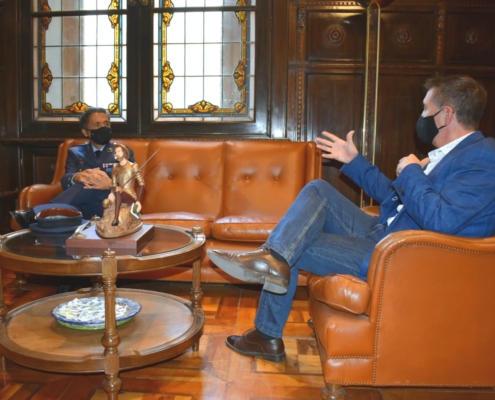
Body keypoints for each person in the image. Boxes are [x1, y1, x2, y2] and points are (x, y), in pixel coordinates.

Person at [208, 75, 495, 362]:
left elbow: (440, 219)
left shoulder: (483, 158)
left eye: (425, 110)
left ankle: (267, 332)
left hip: (400, 254)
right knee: (318, 190)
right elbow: (393, 196)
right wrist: (354, 161)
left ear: (446, 115)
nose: (421, 117)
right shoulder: (450, 156)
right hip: (383, 231)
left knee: (292, 247)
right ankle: (271, 263)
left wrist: (412, 172)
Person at [11, 107, 135, 227]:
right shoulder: (75, 152)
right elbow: (66, 182)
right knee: (67, 209)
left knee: (92, 183)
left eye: (106, 124)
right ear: (86, 132)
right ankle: (46, 221)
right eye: (97, 125)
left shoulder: (123, 152)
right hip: (81, 207)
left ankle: (39, 212)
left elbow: (132, 185)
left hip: (110, 204)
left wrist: (109, 184)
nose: (103, 128)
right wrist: (78, 177)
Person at [107, 143, 144, 226]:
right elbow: (114, 184)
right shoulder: (115, 167)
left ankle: (116, 219)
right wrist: (111, 193)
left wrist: (138, 201)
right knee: (105, 203)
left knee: (118, 191)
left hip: (131, 196)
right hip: (119, 193)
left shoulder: (133, 166)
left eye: (119, 151)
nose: (117, 154)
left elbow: (142, 184)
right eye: (115, 152)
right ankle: (107, 222)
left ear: (125, 152)